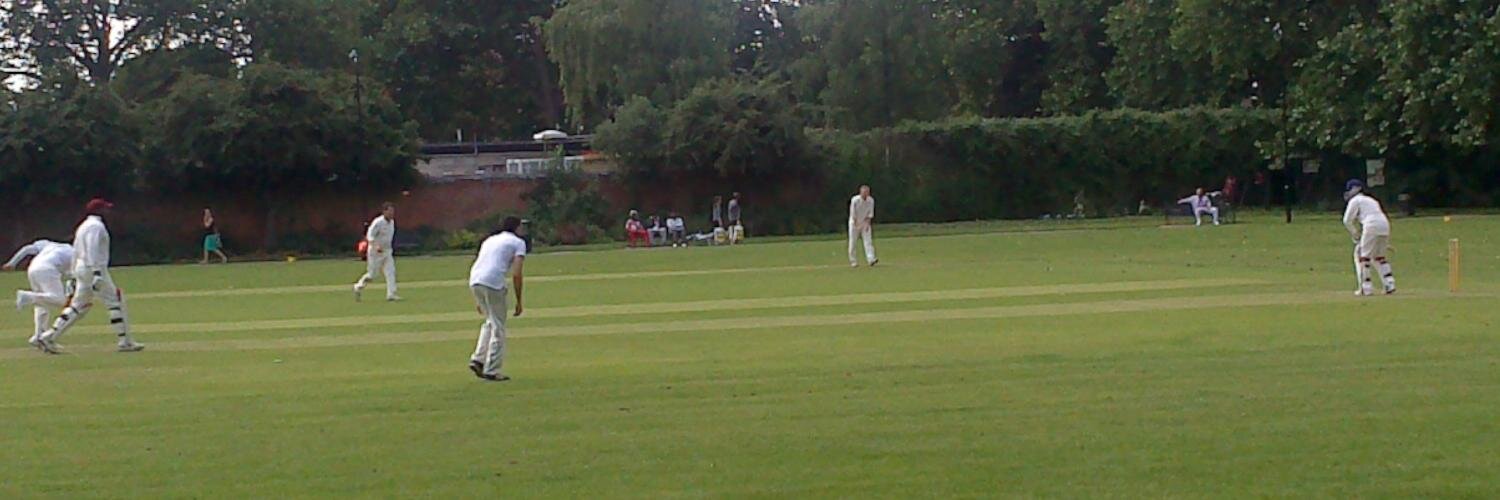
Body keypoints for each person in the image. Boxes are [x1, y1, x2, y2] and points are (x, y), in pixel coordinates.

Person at [34, 199, 146, 354]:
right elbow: (92, 249)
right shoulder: (96, 226)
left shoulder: (83, 226)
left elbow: (76, 251)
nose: (109, 212)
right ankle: (125, 341)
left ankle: (49, 336)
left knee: (79, 306)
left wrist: (74, 274)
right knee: (115, 301)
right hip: (93, 268)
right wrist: (97, 273)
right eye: (105, 209)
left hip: (83, 268)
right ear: (99, 211)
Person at [467, 216, 527, 382]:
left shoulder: (490, 239)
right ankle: (492, 369)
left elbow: (482, 263)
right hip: (492, 282)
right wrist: (519, 301)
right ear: (516, 228)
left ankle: (478, 359)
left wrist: (478, 300)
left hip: (475, 279)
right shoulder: (518, 243)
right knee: (498, 326)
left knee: (490, 321)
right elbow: (517, 274)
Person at [5, 239, 75, 345]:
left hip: (33, 268)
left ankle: (38, 336)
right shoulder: (74, 253)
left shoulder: (48, 244)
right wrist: (70, 296)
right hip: (48, 269)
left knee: (42, 303)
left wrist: (12, 263)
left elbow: (27, 249)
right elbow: (73, 278)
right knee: (60, 300)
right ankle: (27, 297)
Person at [1343, 179, 1396, 296]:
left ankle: (1366, 287)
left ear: (1356, 188)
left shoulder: (1356, 200)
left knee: (1363, 256)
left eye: (1350, 189)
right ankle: (1389, 284)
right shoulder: (1371, 200)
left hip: (1372, 225)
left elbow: (1347, 220)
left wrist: (1355, 233)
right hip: (1384, 224)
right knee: (1379, 256)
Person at [354, 202, 400, 302]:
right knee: (372, 274)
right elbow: (369, 235)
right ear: (384, 212)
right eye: (390, 211)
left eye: (393, 211)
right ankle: (358, 286)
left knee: (390, 272)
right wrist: (376, 245)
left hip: (387, 252)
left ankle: (391, 294)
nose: (392, 213)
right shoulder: (378, 222)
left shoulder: (392, 222)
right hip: (375, 252)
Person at [849, 185, 878, 267]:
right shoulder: (855, 200)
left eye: (867, 192)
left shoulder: (871, 200)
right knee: (853, 242)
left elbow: (870, 214)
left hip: (865, 222)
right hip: (854, 223)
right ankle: (853, 261)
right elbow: (853, 213)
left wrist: (867, 224)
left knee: (868, 241)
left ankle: (871, 259)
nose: (866, 194)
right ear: (860, 192)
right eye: (864, 193)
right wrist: (856, 224)